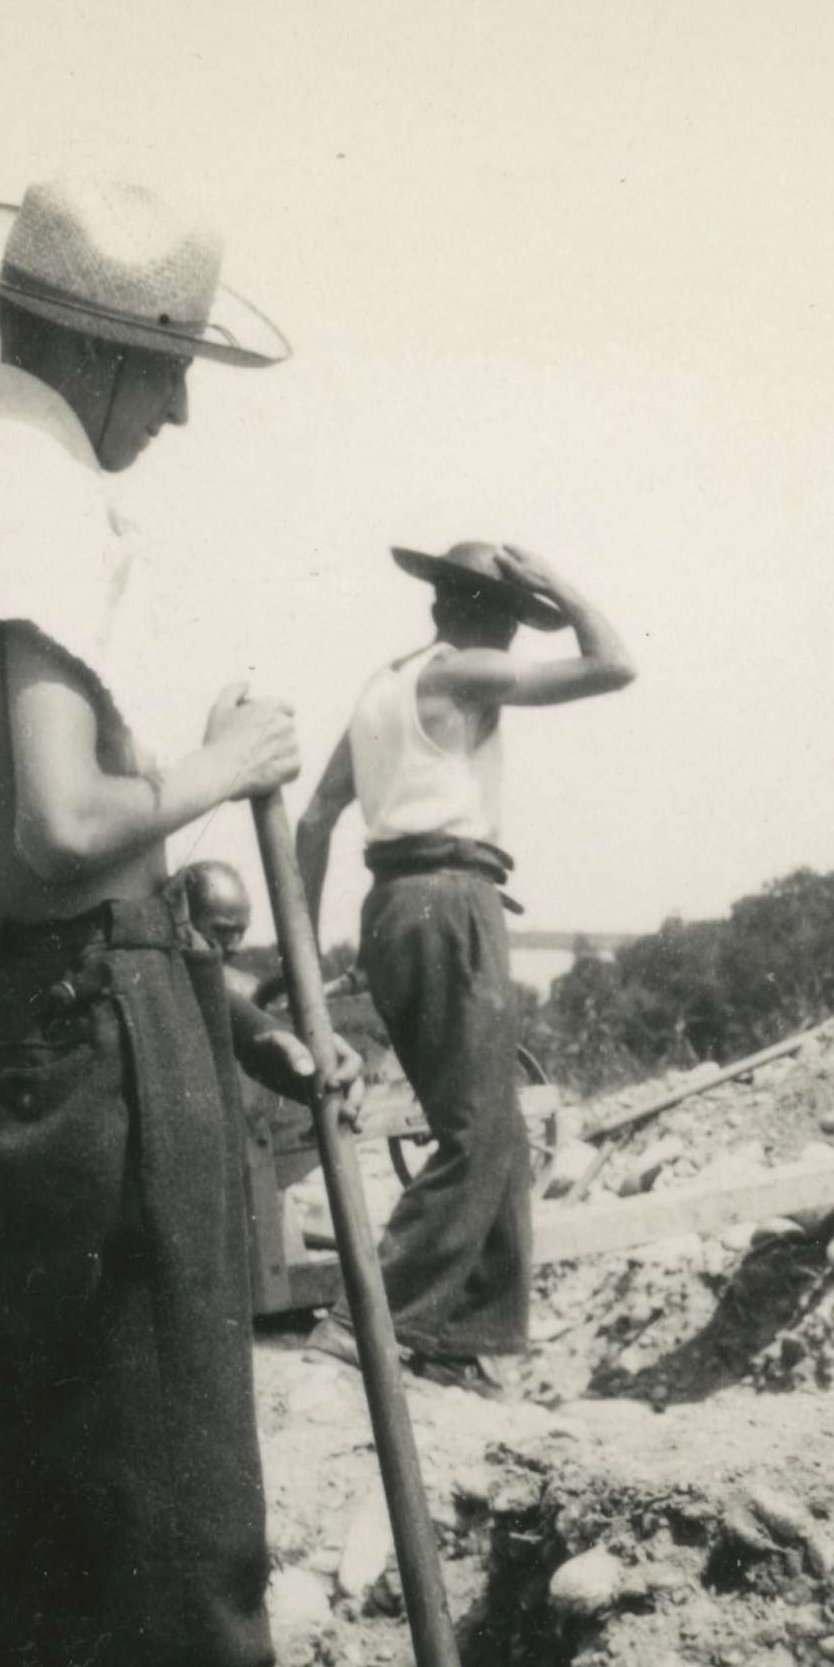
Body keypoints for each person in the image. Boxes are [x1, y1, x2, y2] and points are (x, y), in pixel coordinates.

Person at [0, 172, 351, 1667]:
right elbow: (60, 828)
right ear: (90, 346)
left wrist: (218, 1008)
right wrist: (226, 758)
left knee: (17, 1547)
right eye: (164, 363)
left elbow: (22, 854)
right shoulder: (36, 498)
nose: (183, 402)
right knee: (173, 1570)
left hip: (21, 1022)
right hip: (90, 1029)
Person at [296, 541, 634, 1390]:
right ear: (490, 617)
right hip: (451, 900)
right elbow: (613, 665)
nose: (515, 641)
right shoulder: (461, 675)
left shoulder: (384, 686)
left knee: (494, 1132)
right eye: (516, 620)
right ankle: (367, 1321)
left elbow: (314, 820)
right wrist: (560, 580)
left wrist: (305, 958)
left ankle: (460, 1342)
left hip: (394, 905)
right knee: (482, 1135)